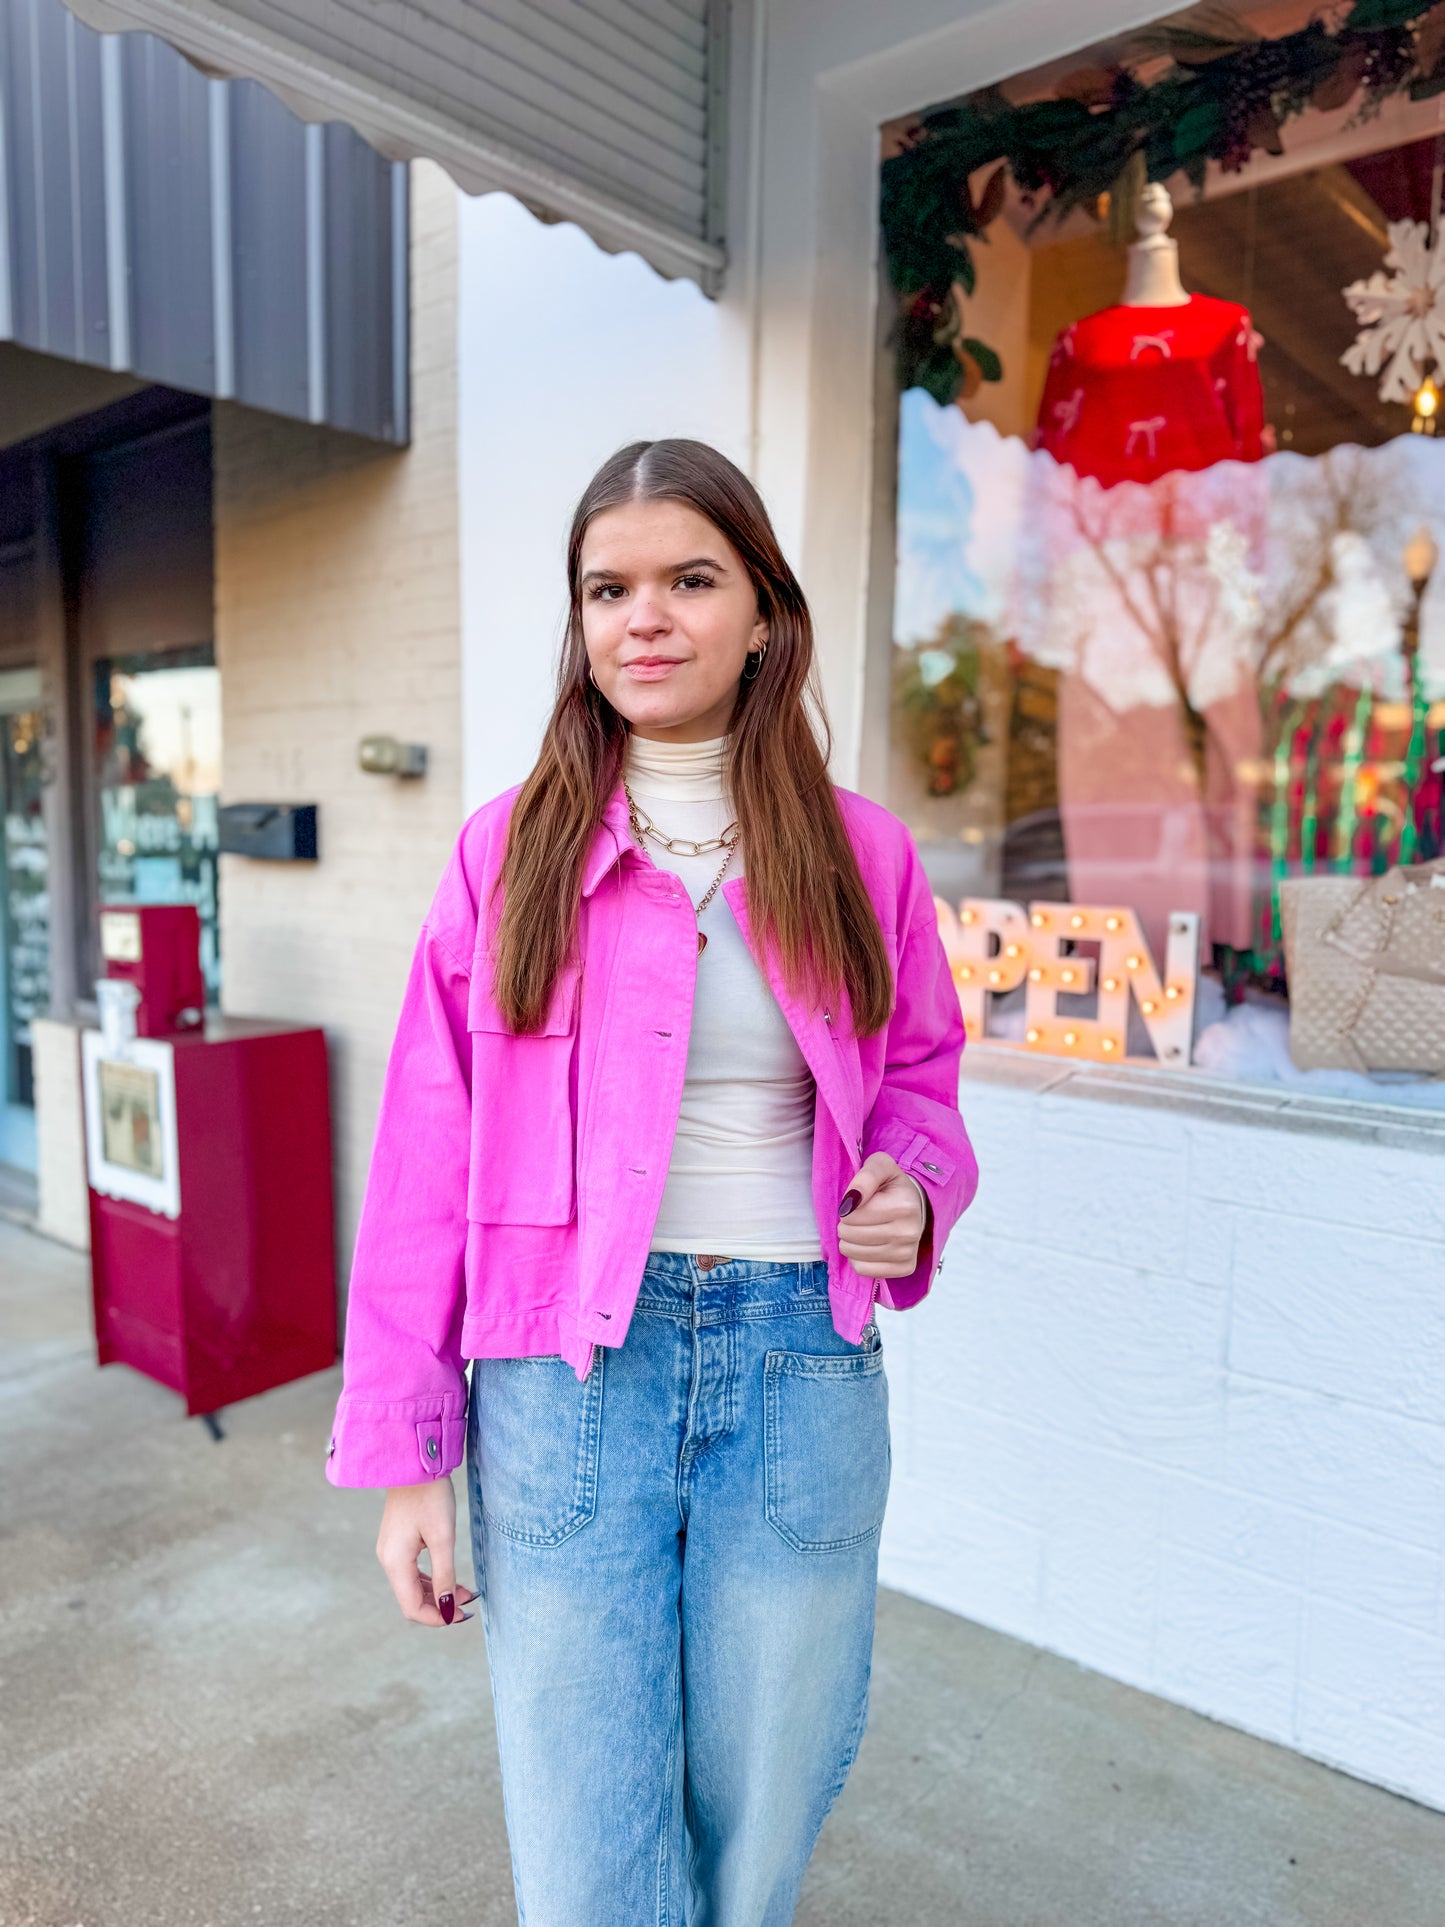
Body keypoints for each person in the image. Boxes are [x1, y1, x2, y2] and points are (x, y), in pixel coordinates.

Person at [326, 438, 978, 1925]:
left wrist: (914, 1190)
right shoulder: (510, 855)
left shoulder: (859, 856)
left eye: (691, 578)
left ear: (763, 613)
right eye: (607, 588)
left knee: (764, 1794)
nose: (646, 617)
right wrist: (408, 1455)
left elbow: (925, 1086)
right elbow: (425, 1155)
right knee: (583, 1816)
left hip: (798, 1364)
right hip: (563, 1384)